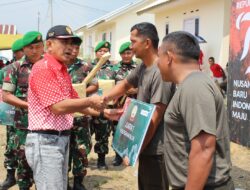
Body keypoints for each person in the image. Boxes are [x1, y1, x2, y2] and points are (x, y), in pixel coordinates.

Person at [24, 25, 105, 190]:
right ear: (49, 45)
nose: (70, 47)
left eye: (72, 43)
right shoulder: (43, 68)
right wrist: (91, 102)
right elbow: (58, 107)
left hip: (59, 139)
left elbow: (75, 102)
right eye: (64, 42)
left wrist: (104, 112)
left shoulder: (62, 70)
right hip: (46, 141)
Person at [157, 31, 234, 190]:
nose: (157, 63)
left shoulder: (194, 86)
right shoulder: (192, 83)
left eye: (160, 56)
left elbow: (204, 149)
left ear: (169, 57)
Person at [104, 22, 172, 190]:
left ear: (147, 43)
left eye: (133, 41)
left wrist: (134, 151)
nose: (131, 46)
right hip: (146, 145)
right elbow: (126, 84)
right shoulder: (143, 66)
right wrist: (104, 99)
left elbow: (155, 117)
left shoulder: (159, 72)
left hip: (157, 149)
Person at [1, 31, 44, 190]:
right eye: (30, 47)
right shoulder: (14, 68)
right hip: (23, 124)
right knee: (24, 162)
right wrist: (29, 106)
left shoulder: (50, 66)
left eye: (38, 47)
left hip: (47, 126)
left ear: (43, 47)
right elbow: (6, 96)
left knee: (43, 163)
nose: (34, 51)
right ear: (24, 49)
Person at [67, 36, 98, 190]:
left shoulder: (85, 67)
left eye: (77, 48)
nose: (73, 51)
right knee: (63, 150)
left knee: (81, 148)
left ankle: (78, 181)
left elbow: (95, 85)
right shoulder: (58, 65)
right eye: (71, 47)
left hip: (81, 117)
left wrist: (80, 91)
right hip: (63, 117)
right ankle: (63, 180)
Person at [0, 38, 24, 190]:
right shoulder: (6, 70)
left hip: (34, 117)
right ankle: (10, 176)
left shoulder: (39, 67)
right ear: (16, 53)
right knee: (12, 145)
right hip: (12, 115)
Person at [90, 40, 116, 170]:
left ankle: (101, 160)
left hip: (105, 107)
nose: (103, 53)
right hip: (88, 107)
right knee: (85, 134)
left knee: (103, 135)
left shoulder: (113, 69)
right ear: (96, 53)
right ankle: (83, 159)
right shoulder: (88, 67)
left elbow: (118, 86)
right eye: (100, 51)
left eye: (106, 51)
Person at [111, 41, 137, 166]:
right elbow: (110, 86)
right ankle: (118, 155)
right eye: (124, 53)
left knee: (131, 130)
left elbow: (144, 85)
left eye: (129, 53)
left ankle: (130, 154)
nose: (126, 55)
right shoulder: (114, 69)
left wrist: (136, 90)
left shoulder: (138, 68)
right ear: (120, 55)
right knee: (117, 130)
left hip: (133, 106)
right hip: (118, 106)